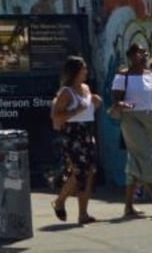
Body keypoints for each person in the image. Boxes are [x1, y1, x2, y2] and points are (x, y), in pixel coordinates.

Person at [110, 43, 152, 216]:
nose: (144, 56)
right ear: (132, 56)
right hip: (131, 118)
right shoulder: (122, 76)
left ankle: (128, 205)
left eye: (145, 53)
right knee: (146, 157)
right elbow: (116, 101)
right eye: (140, 53)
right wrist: (124, 104)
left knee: (135, 160)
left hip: (150, 118)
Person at [51, 55, 102, 224]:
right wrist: (76, 111)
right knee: (80, 172)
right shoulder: (66, 92)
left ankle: (83, 213)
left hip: (87, 131)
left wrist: (95, 103)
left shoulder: (86, 88)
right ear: (75, 72)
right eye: (83, 69)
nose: (86, 72)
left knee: (89, 173)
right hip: (73, 133)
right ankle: (60, 201)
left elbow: (88, 110)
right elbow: (56, 116)